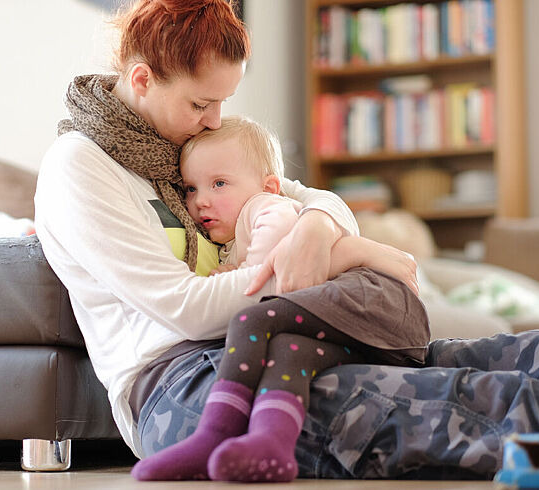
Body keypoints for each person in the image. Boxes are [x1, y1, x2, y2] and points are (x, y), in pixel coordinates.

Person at [34, 0, 539, 482]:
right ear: (143, 79)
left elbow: (317, 200)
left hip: (294, 341)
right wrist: (331, 258)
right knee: (467, 400)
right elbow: (183, 309)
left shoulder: (187, 147)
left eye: (223, 102)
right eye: (201, 105)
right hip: (185, 381)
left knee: (538, 352)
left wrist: (318, 230)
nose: (214, 120)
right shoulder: (82, 166)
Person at [131, 115, 430, 482]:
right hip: (368, 335)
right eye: (191, 189)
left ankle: (215, 432)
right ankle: (271, 443)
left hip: (372, 298)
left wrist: (250, 269)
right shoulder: (231, 233)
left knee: (251, 320)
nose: (200, 201)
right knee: (288, 350)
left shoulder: (262, 206)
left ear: (270, 186)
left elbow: (277, 231)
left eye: (219, 184)